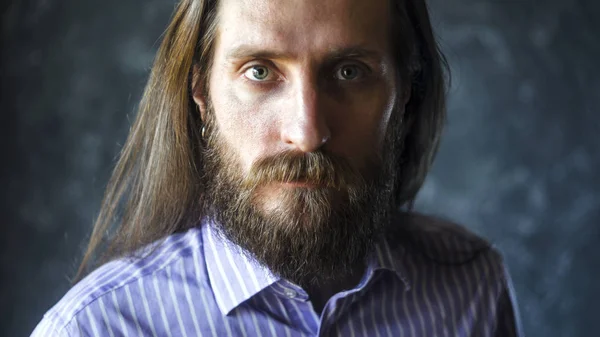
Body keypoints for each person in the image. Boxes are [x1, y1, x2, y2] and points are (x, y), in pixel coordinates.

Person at [32, 0, 523, 335]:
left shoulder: (473, 289)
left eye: (350, 72)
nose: (307, 132)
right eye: (260, 72)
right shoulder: (94, 328)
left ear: (405, 94)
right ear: (201, 94)